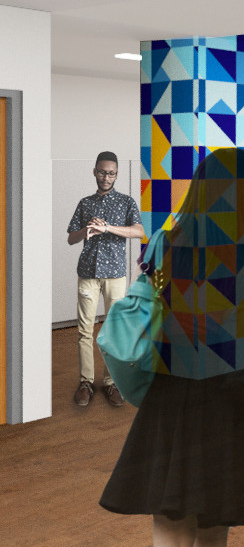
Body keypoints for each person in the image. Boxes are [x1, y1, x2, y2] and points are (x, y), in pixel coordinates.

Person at [100, 147, 244, 547]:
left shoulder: (165, 245)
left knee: (171, 534)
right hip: (236, 405)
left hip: (174, 398)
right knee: (213, 529)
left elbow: (150, 309)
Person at [66, 150, 144, 407]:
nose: (106, 177)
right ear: (95, 171)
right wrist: (86, 230)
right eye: (102, 172)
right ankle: (85, 382)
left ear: (116, 174)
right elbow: (71, 238)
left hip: (115, 275)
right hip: (87, 273)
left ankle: (112, 383)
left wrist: (107, 227)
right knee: (84, 331)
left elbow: (139, 232)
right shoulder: (84, 203)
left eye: (111, 173)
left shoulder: (126, 202)